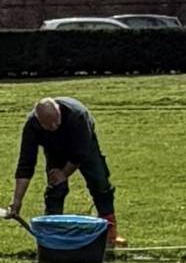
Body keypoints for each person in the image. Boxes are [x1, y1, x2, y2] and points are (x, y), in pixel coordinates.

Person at [6, 95, 120, 245]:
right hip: (54, 149)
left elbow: (80, 154)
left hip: (84, 144)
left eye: (56, 122)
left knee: (99, 182)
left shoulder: (78, 116)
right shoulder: (32, 126)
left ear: (59, 111)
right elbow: (26, 164)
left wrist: (64, 173)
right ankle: (52, 231)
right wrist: (17, 201)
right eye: (48, 125)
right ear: (39, 121)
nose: (54, 127)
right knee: (56, 188)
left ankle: (109, 231)